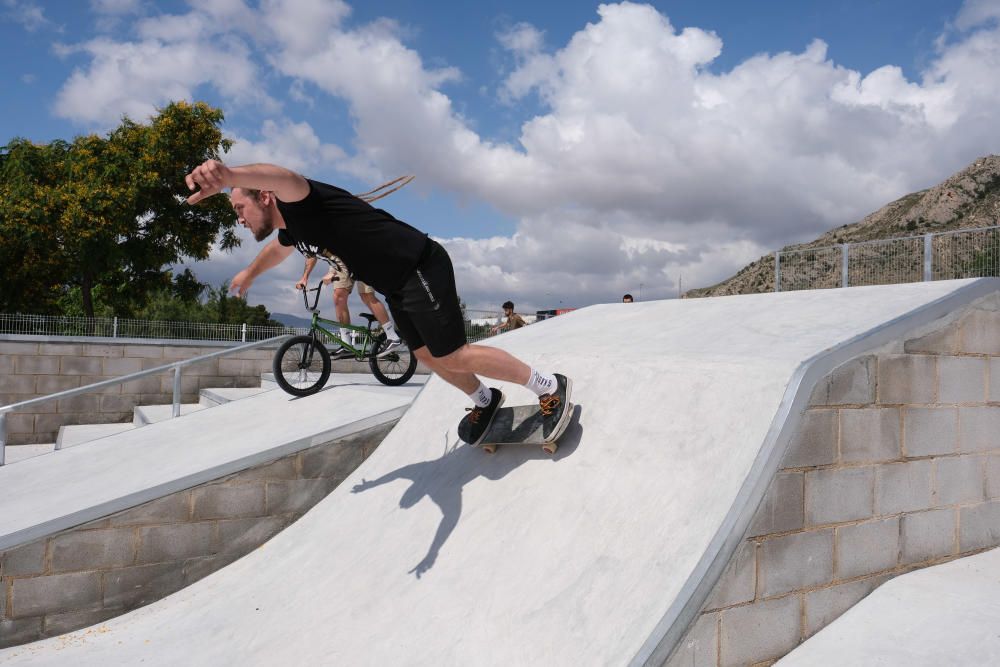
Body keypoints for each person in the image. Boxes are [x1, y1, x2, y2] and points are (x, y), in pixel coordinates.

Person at [185, 160, 571, 445]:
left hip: (419, 264)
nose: (239, 218)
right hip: (397, 286)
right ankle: (484, 399)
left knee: (454, 354)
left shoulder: (302, 202)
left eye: (239, 208)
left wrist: (229, 176)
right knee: (425, 356)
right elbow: (276, 250)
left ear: (264, 196)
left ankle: (549, 386)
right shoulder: (293, 230)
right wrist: (250, 274)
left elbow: (285, 176)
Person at [296, 253, 402, 358]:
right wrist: (304, 277)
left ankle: (392, 337)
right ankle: (346, 344)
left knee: (366, 294)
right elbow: (314, 253)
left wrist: (332, 271)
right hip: (342, 260)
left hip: (363, 253)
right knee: (338, 295)